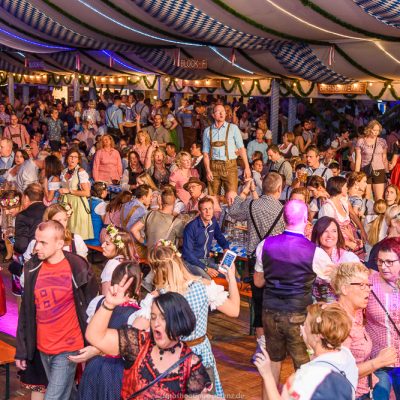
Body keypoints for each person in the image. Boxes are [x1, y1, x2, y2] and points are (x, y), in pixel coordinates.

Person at [253, 200, 333, 396]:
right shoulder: (315, 252)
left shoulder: (265, 245)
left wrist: (277, 274)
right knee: (304, 368)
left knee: (273, 362)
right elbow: (333, 280)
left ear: (284, 218)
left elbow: (258, 281)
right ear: (306, 219)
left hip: (270, 312)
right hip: (299, 315)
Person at [15, 221, 98, 400]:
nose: (37, 247)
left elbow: (92, 308)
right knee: (68, 394)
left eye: (43, 243)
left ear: (60, 243)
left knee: (54, 397)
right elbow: (26, 312)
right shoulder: (32, 267)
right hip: (43, 347)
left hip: (68, 347)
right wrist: (22, 349)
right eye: (36, 241)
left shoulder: (78, 267)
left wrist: (94, 344)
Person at [85, 286, 211, 399]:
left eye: (163, 318)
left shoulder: (191, 365)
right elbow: (95, 336)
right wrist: (108, 304)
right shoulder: (138, 343)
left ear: (178, 321)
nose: (155, 324)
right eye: (153, 317)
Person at [149, 241, 239, 397]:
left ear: (156, 270)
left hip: (170, 358)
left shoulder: (156, 298)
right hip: (201, 355)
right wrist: (231, 277)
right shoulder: (204, 286)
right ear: (179, 261)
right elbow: (234, 310)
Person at [228, 172, 285, 350]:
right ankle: (275, 343)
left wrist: (244, 191)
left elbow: (233, 212)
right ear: (279, 189)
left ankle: (261, 345)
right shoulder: (283, 209)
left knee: (258, 302)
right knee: (277, 301)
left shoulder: (253, 204)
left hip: (255, 259)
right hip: (277, 260)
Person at [254, 302, 358, 400]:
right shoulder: (347, 355)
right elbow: (321, 362)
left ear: (318, 335)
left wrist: (267, 374)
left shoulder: (304, 376)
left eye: (306, 324)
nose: (302, 327)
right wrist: (310, 346)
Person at [72, 262, 143, 400]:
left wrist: (96, 350)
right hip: (117, 372)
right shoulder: (138, 315)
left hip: (93, 366)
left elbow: (91, 332)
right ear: (138, 285)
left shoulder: (99, 302)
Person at [331, 262, 397, 400]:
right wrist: (379, 361)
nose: (368, 290)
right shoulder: (338, 322)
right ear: (344, 289)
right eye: (362, 285)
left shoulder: (357, 313)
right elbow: (339, 373)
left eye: (368, 285)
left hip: (363, 390)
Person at [365, 237, 400, 399]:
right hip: (378, 359)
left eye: (389, 262)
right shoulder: (368, 284)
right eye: (380, 261)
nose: (383, 266)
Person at [202, 104, 251, 195]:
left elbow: (241, 148)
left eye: (223, 111)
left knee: (232, 196)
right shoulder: (207, 131)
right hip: (214, 166)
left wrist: (247, 167)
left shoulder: (233, 128)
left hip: (230, 165)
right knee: (213, 196)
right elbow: (205, 154)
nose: (221, 113)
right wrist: (208, 170)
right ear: (213, 115)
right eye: (218, 111)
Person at [311, 217, 360, 302]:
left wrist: (339, 273)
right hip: (316, 305)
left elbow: (359, 284)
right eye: (325, 231)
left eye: (334, 231)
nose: (330, 235)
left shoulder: (349, 258)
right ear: (317, 233)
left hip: (342, 306)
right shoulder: (310, 256)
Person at [182, 196, 229, 279]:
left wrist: (225, 248)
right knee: (208, 280)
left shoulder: (213, 221)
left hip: (206, 261)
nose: (208, 212)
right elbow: (188, 255)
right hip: (192, 262)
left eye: (210, 208)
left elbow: (219, 236)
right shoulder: (191, 227)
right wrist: (206, 269)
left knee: (228, 274)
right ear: (200, 211)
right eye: (205, 209)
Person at [23, 203, 88, 262]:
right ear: (48, 221)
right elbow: (27, 268)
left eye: (65, 220)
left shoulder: (75, 240)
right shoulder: (35, 243)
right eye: (58, 221)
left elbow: (84, 265)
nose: (63, 224)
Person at [131, 187, 185, 251]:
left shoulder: (149, 214)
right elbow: (183, 242)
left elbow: (134, 230)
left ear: (160, 201)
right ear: (174, 202)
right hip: (165, 255)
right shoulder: (177, 222)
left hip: (150, 253)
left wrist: (145, 243)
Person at [59, 148, 93, 240]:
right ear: (67, 158)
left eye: (75, 157)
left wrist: (69, 191)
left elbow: (87, 193)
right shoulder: (64, 172)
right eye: (71, 156)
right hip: (66, 204)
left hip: (78, 205)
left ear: (78, 160)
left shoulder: (80, 171)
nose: (73, 159)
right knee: (66, 234)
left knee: (77, 236)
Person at [355, 120, 388, 200]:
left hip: (379, 170)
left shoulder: (382, 141)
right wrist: (356, 174)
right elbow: (358, 159)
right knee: (366, 197)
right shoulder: (361, 141)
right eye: (374, 130)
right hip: (365, 170)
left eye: (378, 131)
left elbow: (384, 158)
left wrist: (387, 173)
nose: (376, 132)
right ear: (369, 129)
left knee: (379, 198)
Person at [85, 181, 108, 247]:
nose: (107, 192)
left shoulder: (87, 200)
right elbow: (105, 221)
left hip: (85, 235)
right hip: (95, 237)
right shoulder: (101, 204)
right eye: (106, 190)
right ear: (103, 192)